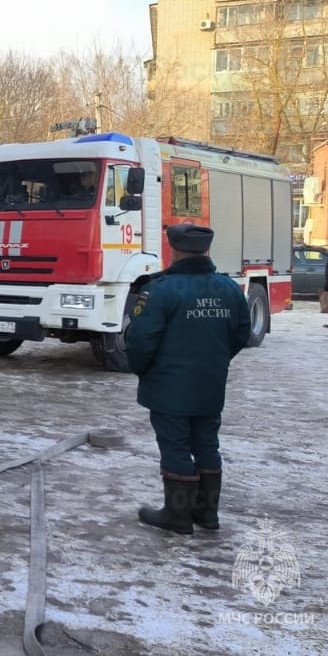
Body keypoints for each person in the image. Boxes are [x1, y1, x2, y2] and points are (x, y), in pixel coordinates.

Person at [125, 224, 250, 535]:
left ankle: (178, 516)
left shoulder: (161, 289)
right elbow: (240, 333)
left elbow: (140, 341)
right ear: (206, 250)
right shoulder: (228, 288)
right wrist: (214, 361)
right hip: (210, 382)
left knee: (176, 446)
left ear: (174, 249)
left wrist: (146, 370)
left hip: (170, 386)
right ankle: (207, 515)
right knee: (207, 443)